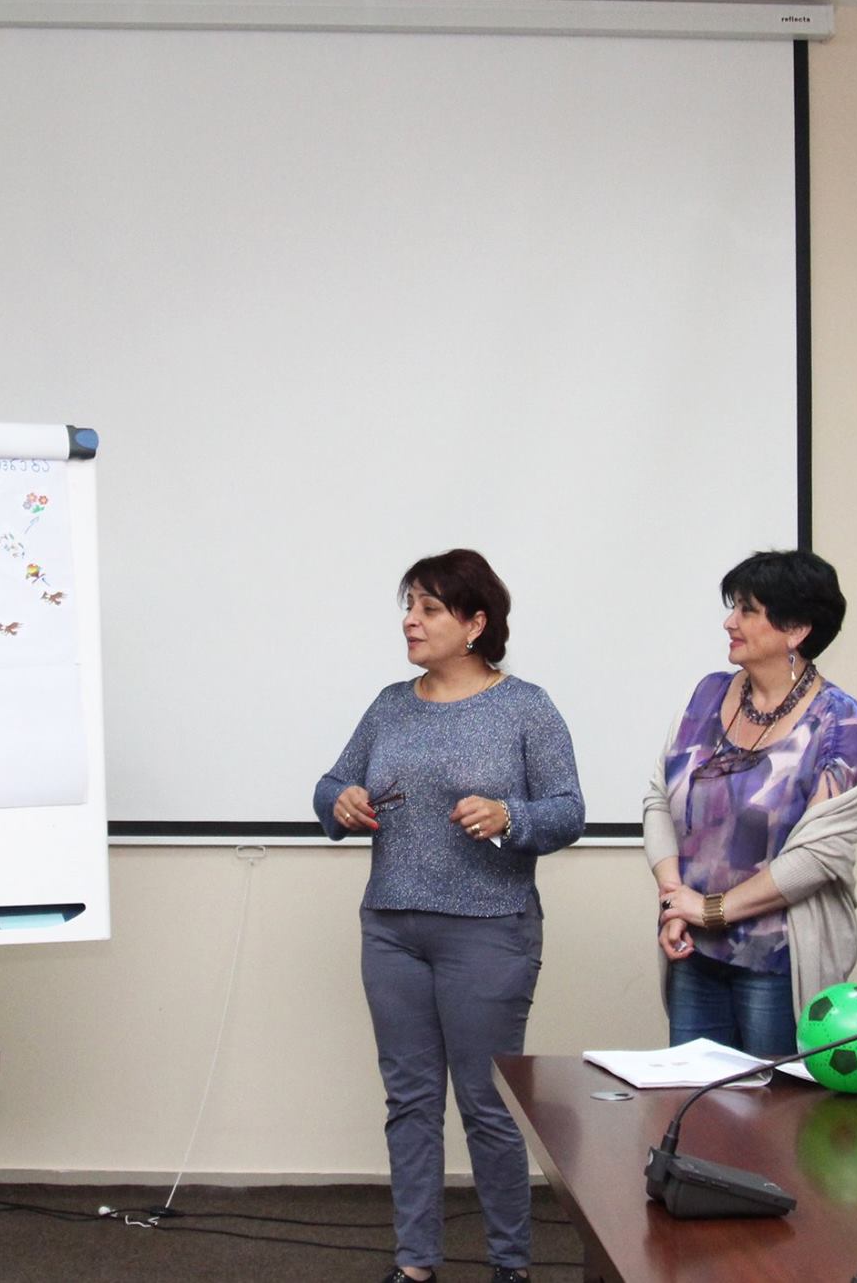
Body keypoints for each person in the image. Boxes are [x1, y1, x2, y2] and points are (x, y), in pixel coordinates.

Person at [314, 548, 584, 1283]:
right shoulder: (389, 704)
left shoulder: (525, 706)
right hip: (391, 928)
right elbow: (331, 786)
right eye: (409, 605)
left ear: (474, 623)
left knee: (486, 1104)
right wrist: (340, 801)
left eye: (430, 608)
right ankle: (415, 1264)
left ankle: (509, 1265)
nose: (411, 620)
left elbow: (568, 811)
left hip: (489, 928)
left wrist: (509, 815)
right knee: (409, 1101)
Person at [644, 550, 857, 1057]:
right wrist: (674, 900)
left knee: (774, 1106)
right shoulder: (708, 695)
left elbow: (818, 857)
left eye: (747, 610)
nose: (730, 622)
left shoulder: (839, 722)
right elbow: (659, 798)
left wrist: (709, 910)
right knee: (694, 1099)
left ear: (796, 630)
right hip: (693, 954)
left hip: (779, 961)